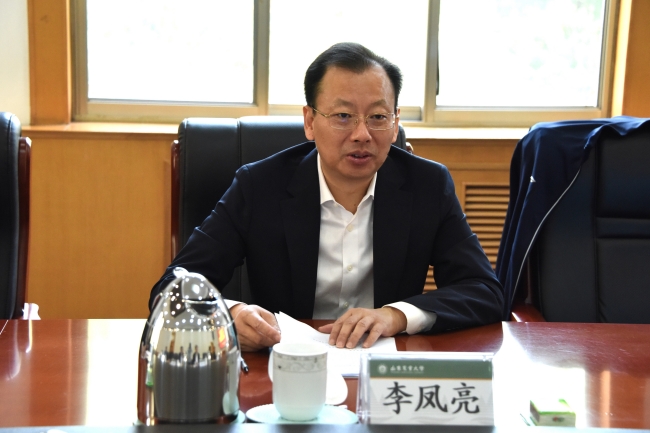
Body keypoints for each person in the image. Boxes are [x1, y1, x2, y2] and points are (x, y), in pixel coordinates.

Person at [150, 42, 503, 351]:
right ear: (309, 121)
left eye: (378, 116)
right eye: (343, 116)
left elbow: (484, 291)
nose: (362, 134)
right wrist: (231, 314)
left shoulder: (428, 185)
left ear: (395, 122)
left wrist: (396, 316)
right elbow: (171, 287)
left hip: (381, 370)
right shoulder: (259, 186)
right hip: (282, 368)